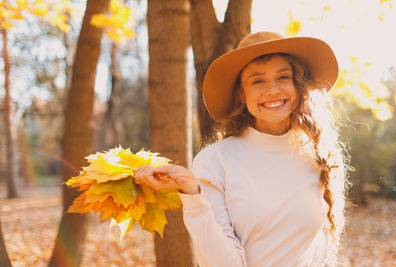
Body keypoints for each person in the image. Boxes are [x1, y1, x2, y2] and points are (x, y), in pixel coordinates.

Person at [135, 31, 350, 267]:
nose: (272, 90)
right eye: (258, 81)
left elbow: (321, 248)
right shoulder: (215, 160)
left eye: (283, 77)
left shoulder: (319, 154)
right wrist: (192, 194)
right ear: (241, 93)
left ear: (298, 85)